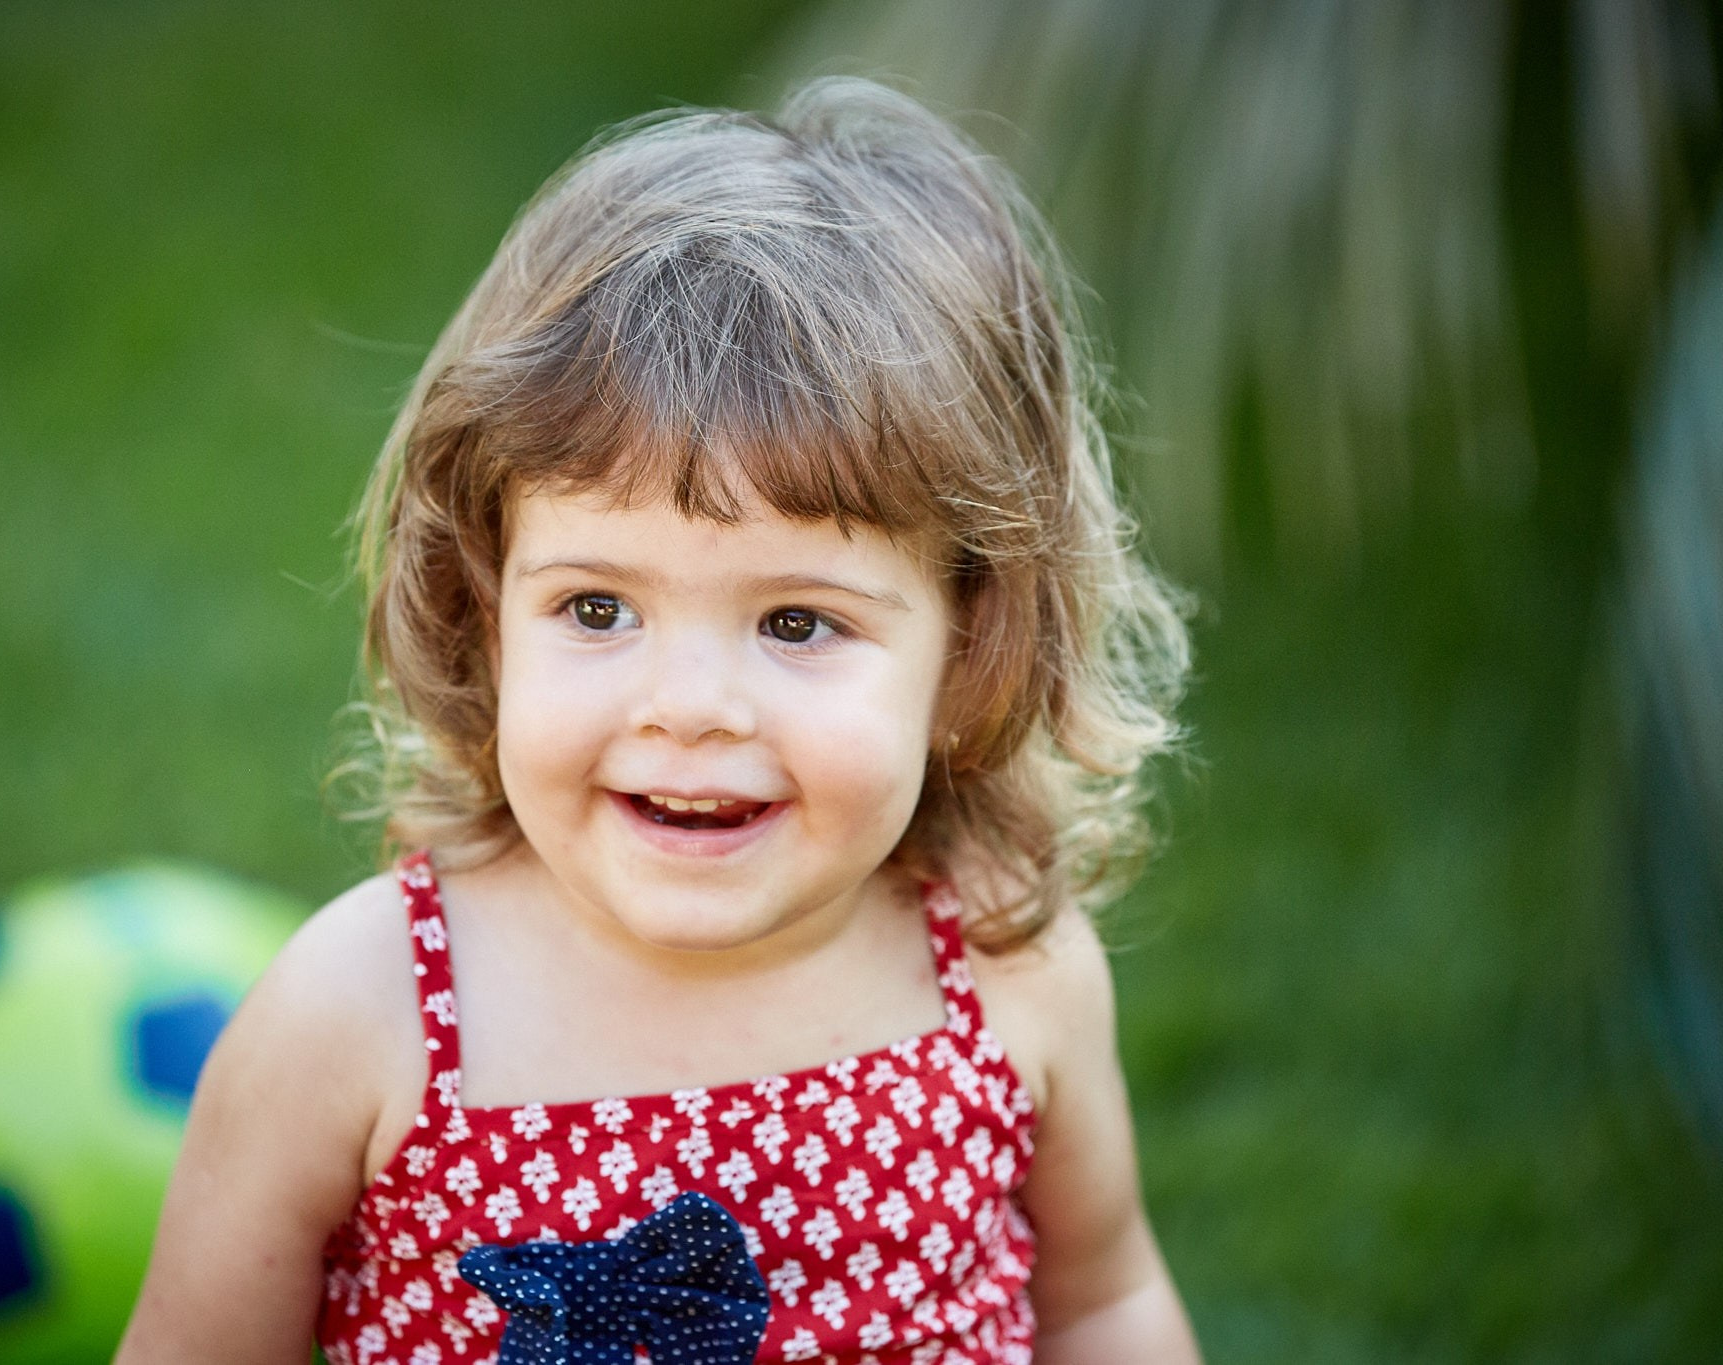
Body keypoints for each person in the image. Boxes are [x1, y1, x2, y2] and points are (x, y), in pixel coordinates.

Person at [117, 77, 1199, 1365]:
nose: (689, 707)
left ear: (973, 643)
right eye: (597, 608)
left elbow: (1104, 1302)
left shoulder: (1003, 962)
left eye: (797, 622)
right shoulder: (364, 1012)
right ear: (484, 610)